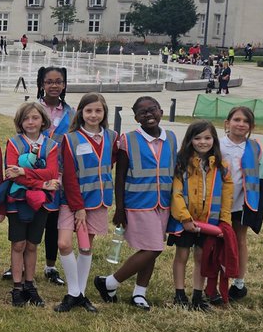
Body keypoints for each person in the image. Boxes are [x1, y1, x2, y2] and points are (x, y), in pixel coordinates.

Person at [94, 96, 177, 311]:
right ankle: (109, 282)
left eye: (152, 109)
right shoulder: (127, 140)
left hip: (164, 203)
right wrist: (120, 208)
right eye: (142, 112)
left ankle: (139, 293)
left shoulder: (172, 138)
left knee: (149, 247)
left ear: (161, 110)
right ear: (136, 117)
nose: (148, 114)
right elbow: (119, 177)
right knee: (154, 248)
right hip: (139, 203)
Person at [55, 93, 112, 313]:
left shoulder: (112, 136)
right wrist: (78, 208)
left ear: (104, 112)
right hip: (72, 201)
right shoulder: (71, 139)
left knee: (86, 247)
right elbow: (69, 175)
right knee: (64, 243)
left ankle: (80, 293)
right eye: (88, 111)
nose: (93, 115)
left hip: (97, 201)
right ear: (81, 113)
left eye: (98, 110)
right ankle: (73, 291)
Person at [167, 121, 232, 311]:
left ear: (214, 140)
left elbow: (227, 197)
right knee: (182, 255)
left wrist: (224, 222)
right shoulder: (181, 163)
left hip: (209, 222)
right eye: (197, 138)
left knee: (202, 257)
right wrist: (185, 219)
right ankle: (179, 294)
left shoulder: (222, 166)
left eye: (207, 138)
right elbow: (176, 193)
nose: (202, 142)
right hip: (186, 221)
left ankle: (198, 296)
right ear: (189, 140)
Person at [3, 103, 59, 307]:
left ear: (43, 121)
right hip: (18, 199)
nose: (30, 122)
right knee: (18, 243)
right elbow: (11, 174)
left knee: (32, 244)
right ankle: (17, 286)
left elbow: (52, 173)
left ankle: (29, 284)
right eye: (26, 118)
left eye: (35, 118)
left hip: (41, 201)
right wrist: (42, 183)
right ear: (20, 122)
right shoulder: (14, 143)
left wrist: (25, 172)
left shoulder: (51, 145)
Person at [220, 105, 263, 301]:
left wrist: (257, 207)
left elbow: (262, 178)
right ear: (227, 123)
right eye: (237, 119)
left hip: (243, 202)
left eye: (246, 121)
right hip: (218, 203)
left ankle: (239, 283)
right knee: (217, 240)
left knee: (240, 240)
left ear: (251, 126)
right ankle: (213, 281)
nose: (241, 124)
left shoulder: (255, 148)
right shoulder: (217, 144)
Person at [36, 66, 73, 287]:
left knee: (53, 223)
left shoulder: (72, 113)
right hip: (35, 175)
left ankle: (50, 266)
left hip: (60, 177)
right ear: (41, 84)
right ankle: (19, 263)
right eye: (49, 81)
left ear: (64, 85)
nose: (54, 85)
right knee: (30, 220)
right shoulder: (31, 109)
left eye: (58, 81)